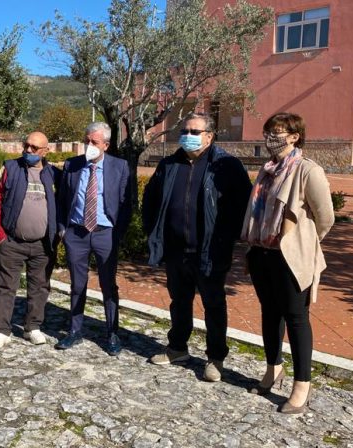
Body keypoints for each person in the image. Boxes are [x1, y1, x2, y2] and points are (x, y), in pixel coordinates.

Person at [142, 113, 252, 382]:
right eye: (185, 130)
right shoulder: (169, 164)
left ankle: (215, 358)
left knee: (214, 305)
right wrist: (154, 233)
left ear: (210, 136)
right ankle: (177, 348)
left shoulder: (227, 166)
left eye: (194, 131)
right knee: (179, 302)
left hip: (210, 253)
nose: (188, 136)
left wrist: (228, 238)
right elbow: (151, 201)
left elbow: (244, 206)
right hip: (176, 250)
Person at [242, 112, 334, 413]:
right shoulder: (266, 170)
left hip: (290, 258)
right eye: (268, 131)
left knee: (296, 319)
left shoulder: (308, 171)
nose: (271, 137)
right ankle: (273, 369)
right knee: (270, 313)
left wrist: (301, 243)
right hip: (261, 253)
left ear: (294, 136)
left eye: (278, 132)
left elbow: (325, 218)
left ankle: (302, 386)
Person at [55, 122, 132, 356]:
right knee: (77, 284)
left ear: (106, 145)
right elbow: (62, 200)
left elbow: (126, 203)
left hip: (105, 234)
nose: (89, 145)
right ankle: (75, 331)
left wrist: (117, 233)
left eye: (94, 142)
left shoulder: (120, 167)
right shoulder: (72, 165)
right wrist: (62, 230)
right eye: (86, 140)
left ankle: (112, 333)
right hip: (76, 234)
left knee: (108, 285)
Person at [0, 131, 62, 349]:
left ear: (45, 151)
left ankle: (33, 327)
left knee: (39, 287)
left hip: (43, 245)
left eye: (34, 148)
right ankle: (2, 330)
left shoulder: (54, 175)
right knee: (6, 287)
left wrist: (56, 236)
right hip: (11, 242)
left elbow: (63, 207)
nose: (28, 150)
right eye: (26, 145)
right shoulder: (10, 168)